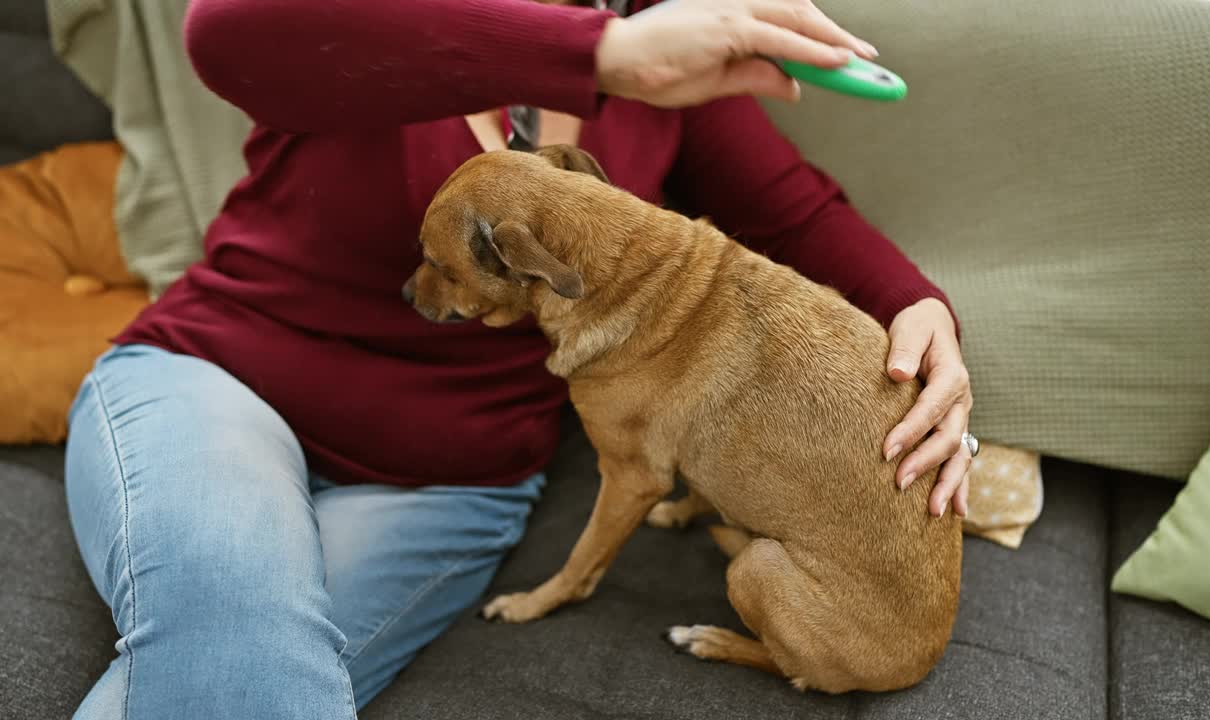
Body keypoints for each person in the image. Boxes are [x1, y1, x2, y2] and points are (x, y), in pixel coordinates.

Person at [64, 1, 974, 717]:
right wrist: (602, 52)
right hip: (221, 386)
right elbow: (230, 33)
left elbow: (797, 215)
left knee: (246, 677)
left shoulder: (683, 52)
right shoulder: (416, 24)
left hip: (449, 485)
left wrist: (922, 313)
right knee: (235, 622)